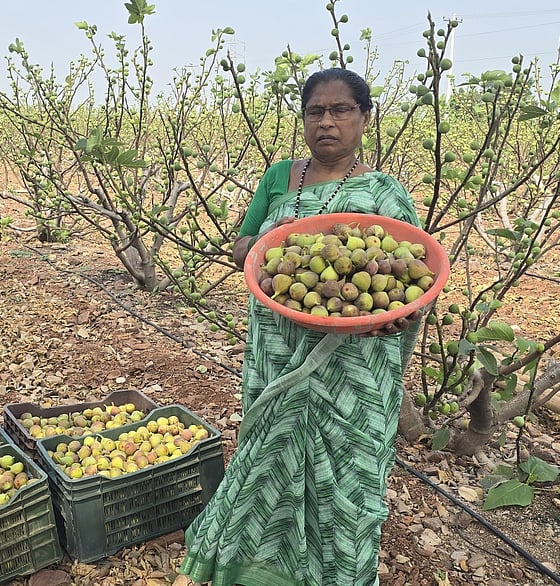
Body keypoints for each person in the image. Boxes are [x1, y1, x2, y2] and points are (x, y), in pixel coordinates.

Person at [179, 68, 424, 586]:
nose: (327, 122)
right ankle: (260, 568)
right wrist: (272, 247)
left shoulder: (385, 193)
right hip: (277, 349)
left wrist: (401, 315)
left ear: (364, 118)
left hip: (351, 366)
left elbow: (411, 277)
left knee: (347, 482)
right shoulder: (279, 178)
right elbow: (244, 244)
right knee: (270, 457)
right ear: (304, 118)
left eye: (341, 111)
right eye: (316, 111)